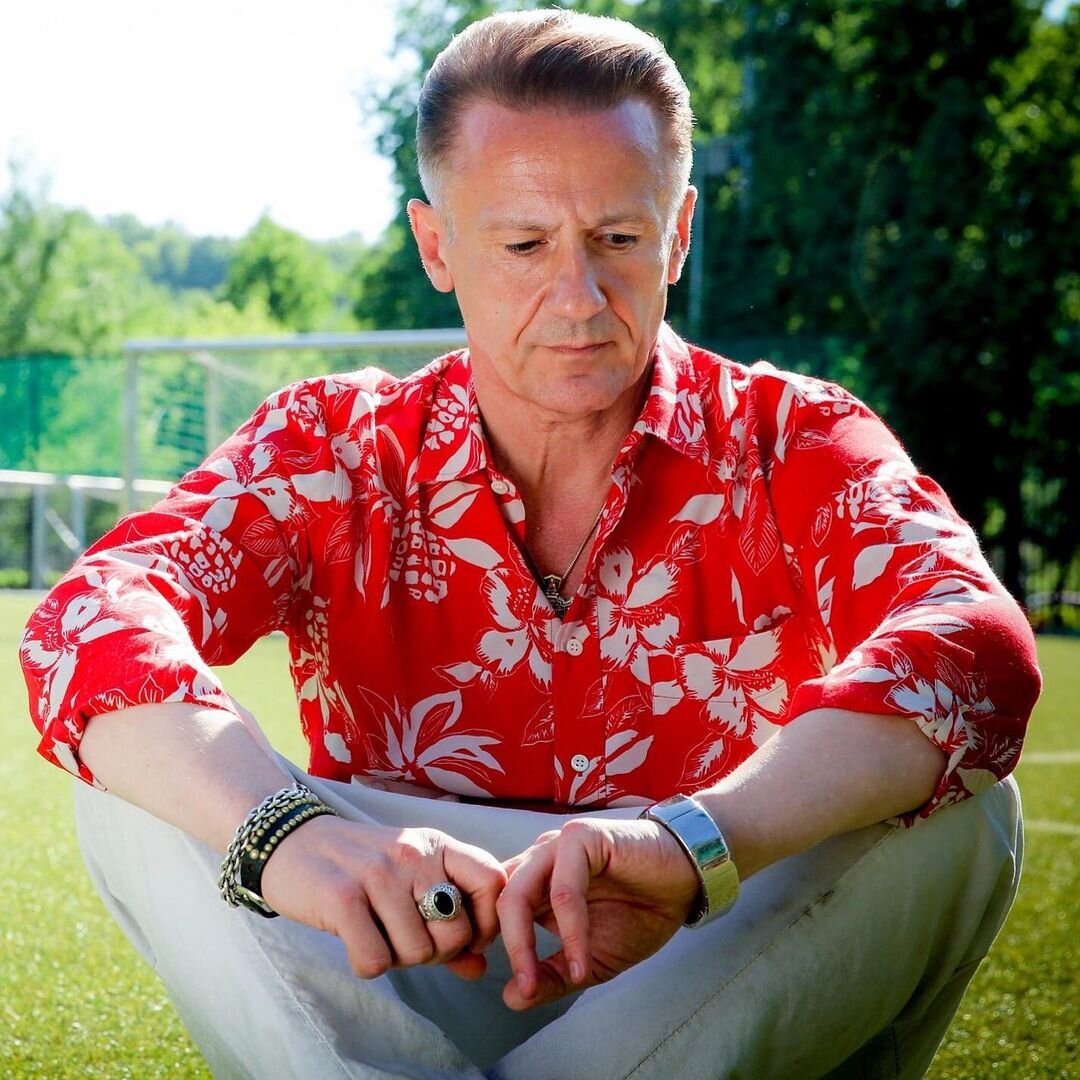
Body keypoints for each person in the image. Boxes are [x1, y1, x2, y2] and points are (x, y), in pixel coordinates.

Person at [20, 10, 1040, 1079]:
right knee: (135, 764)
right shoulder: (333, 445)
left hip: (700, 936)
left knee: (961, 806)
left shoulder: (795, 438)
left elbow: (975, 642)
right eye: (523, 245)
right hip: (403, 945)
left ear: (679, 232)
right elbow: (92, 615)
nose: (578, 297)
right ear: (437, 247)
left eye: (619, 239)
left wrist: (694, 844)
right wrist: (287, 835)